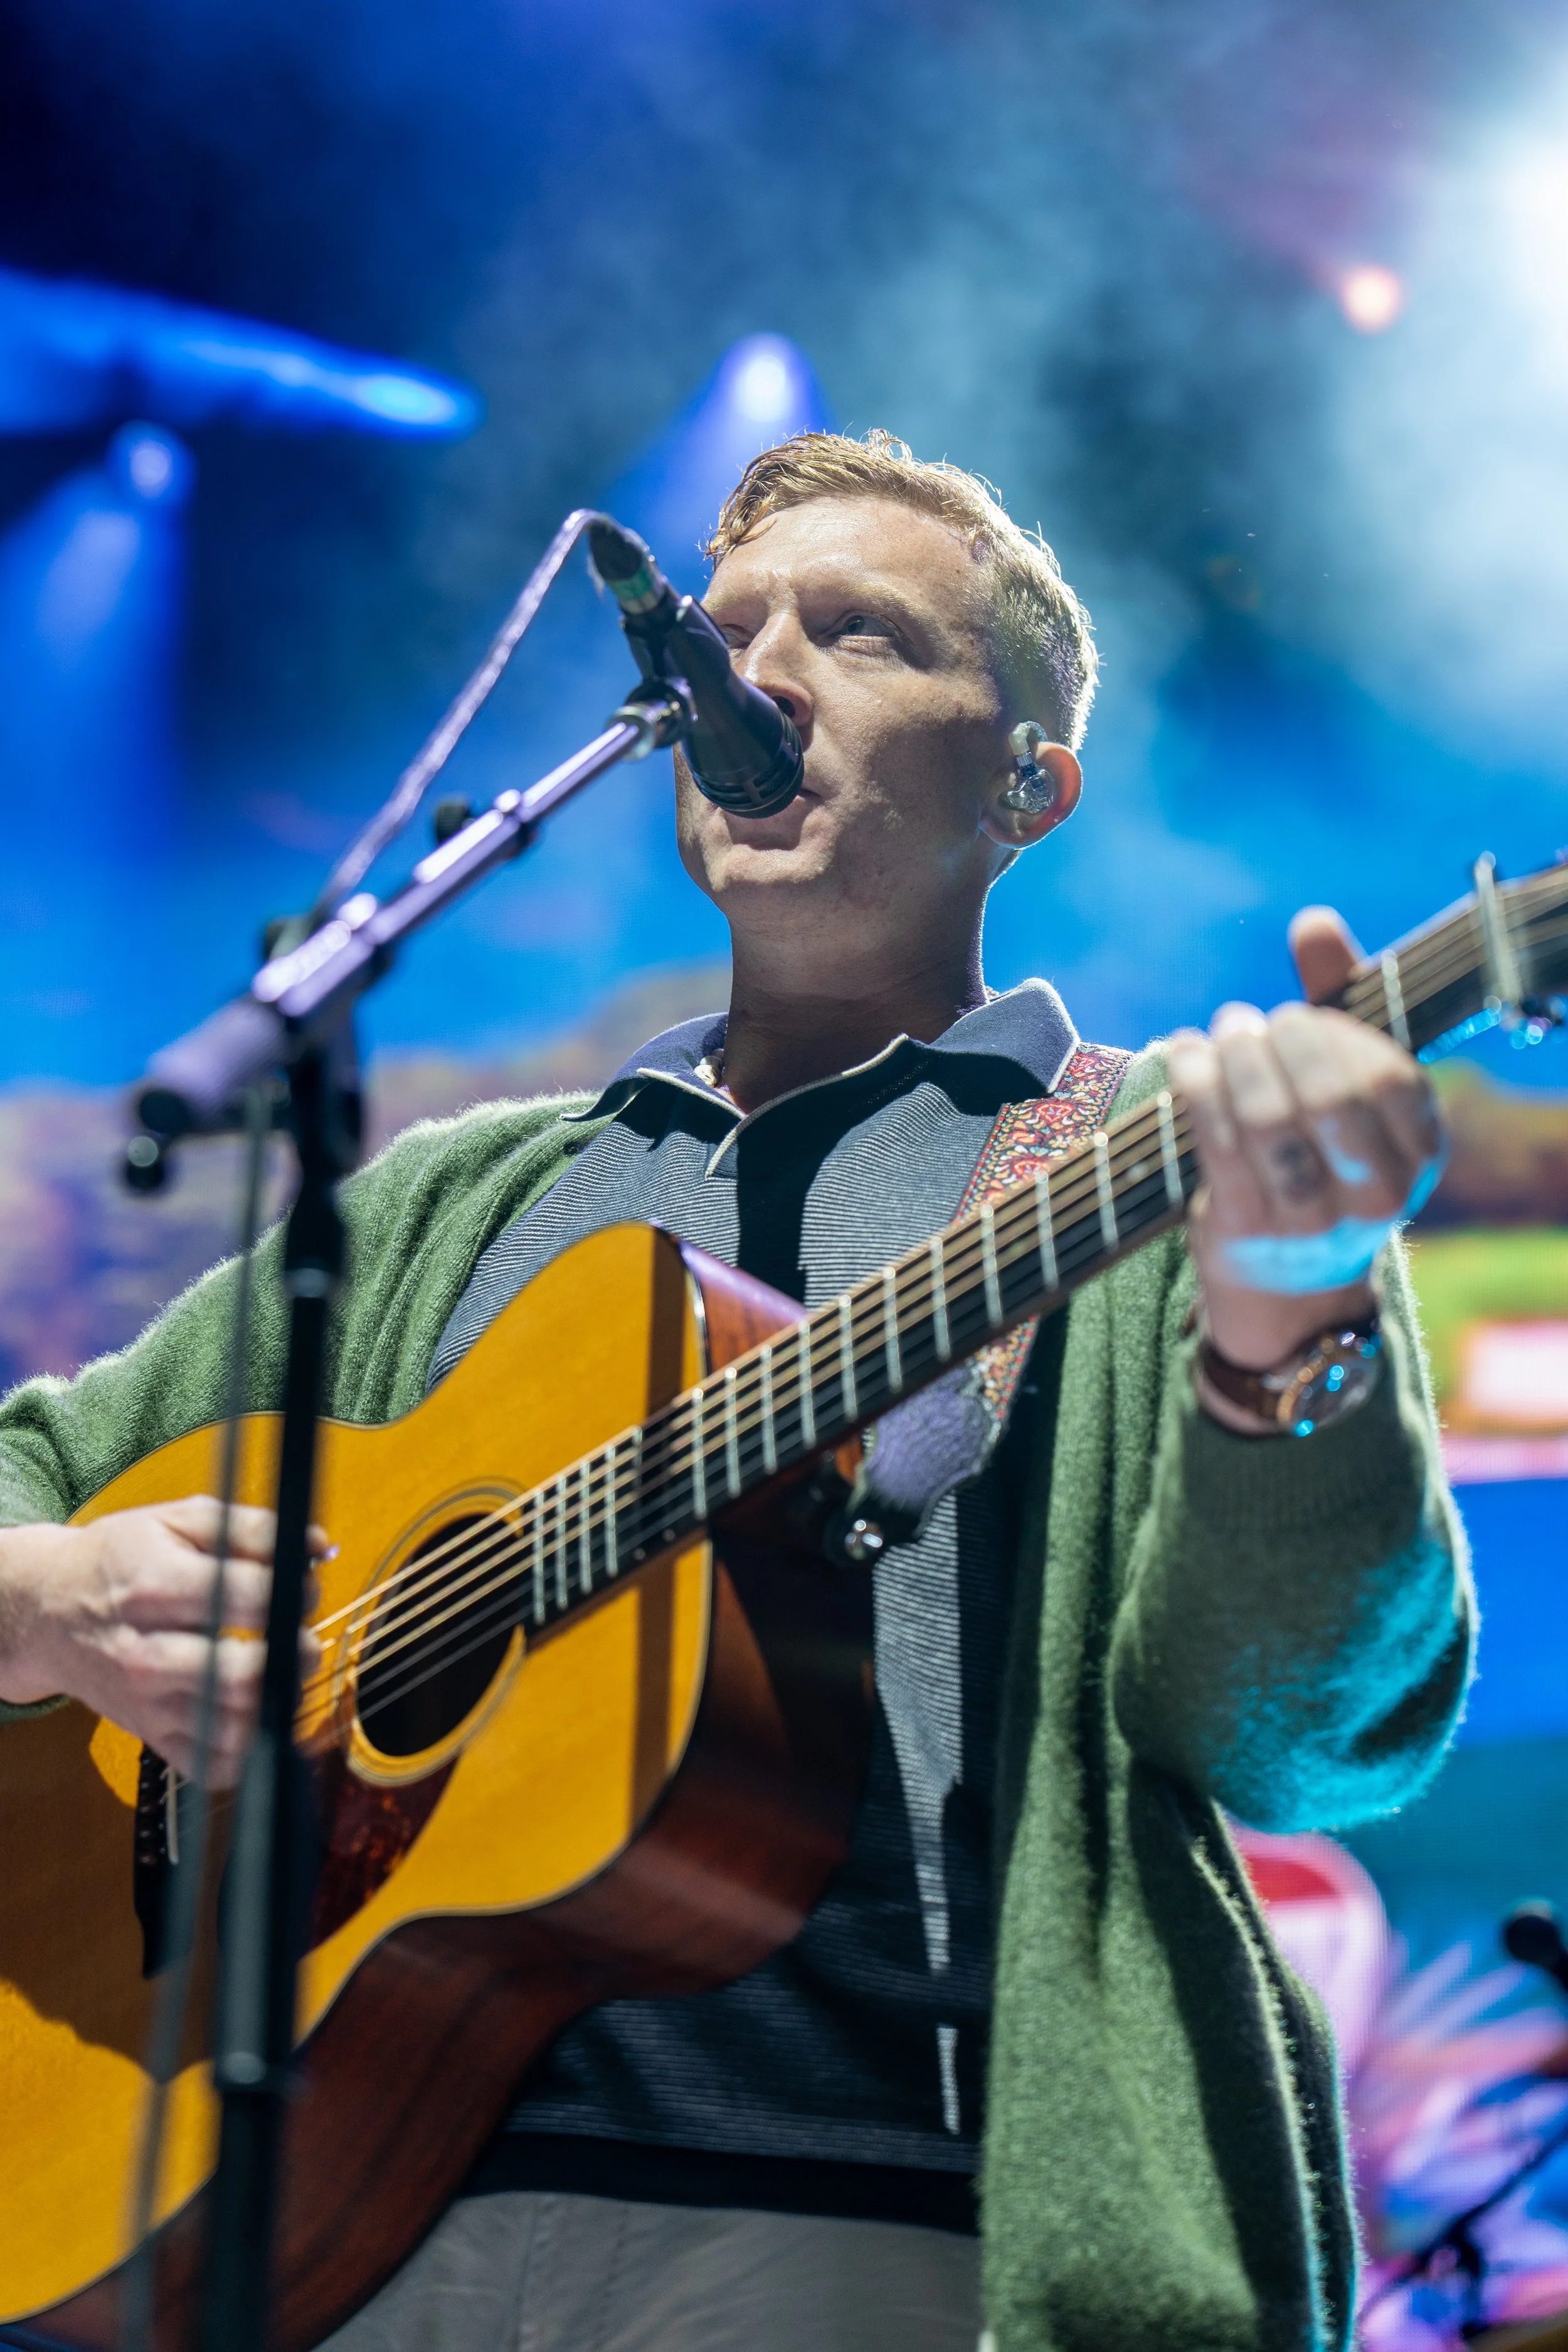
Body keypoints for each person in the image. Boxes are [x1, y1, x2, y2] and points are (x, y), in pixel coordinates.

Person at [0, 431, 1470, 2352]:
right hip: (331, 2230)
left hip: (876, 2229)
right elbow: (33, 1465)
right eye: (730, 627)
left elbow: (1309, 1739)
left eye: (857, 634)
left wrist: (1283, 1307)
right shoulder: (460, 1196)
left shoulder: (1140, 1158)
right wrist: (56, 1601)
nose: (756, 674)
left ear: (1027, 782)